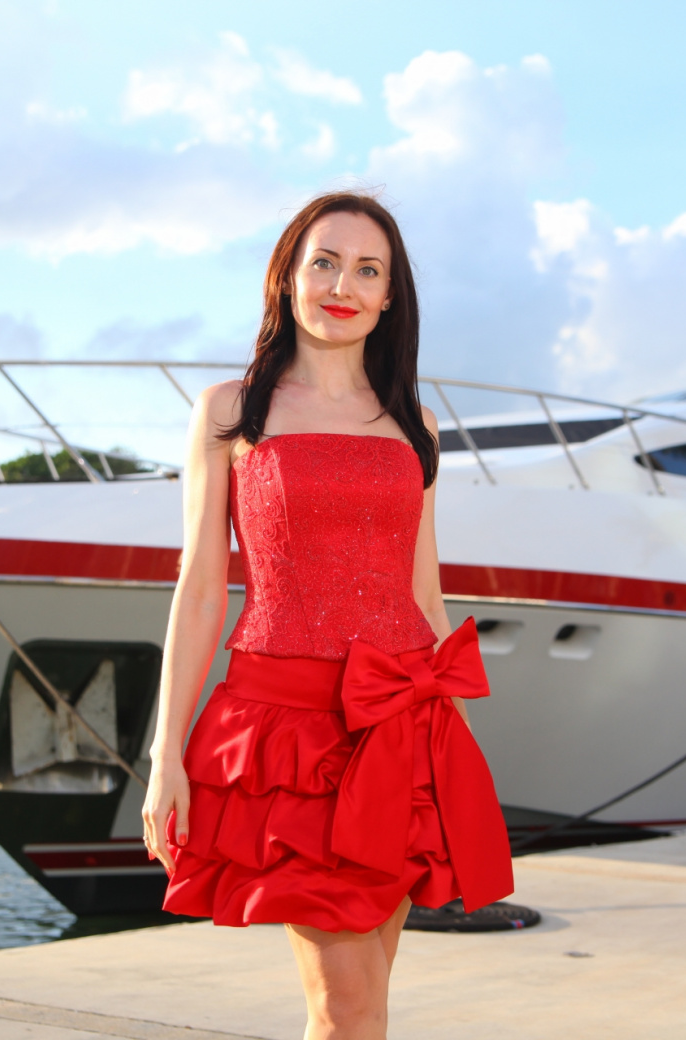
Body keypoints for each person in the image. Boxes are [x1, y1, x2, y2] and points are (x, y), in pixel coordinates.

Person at [142, 190, 513, 1040]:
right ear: (287, 278)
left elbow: (424, 593)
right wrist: (168, 756)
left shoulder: (414, 425)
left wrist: (449, 748)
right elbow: (202, 587)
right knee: (347, 1009)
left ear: (390, 298)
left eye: (368, 269)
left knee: (363, 1007)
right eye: (326, 262)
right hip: (291, 736)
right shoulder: (231, 413)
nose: (344, 284)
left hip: (404, 726)